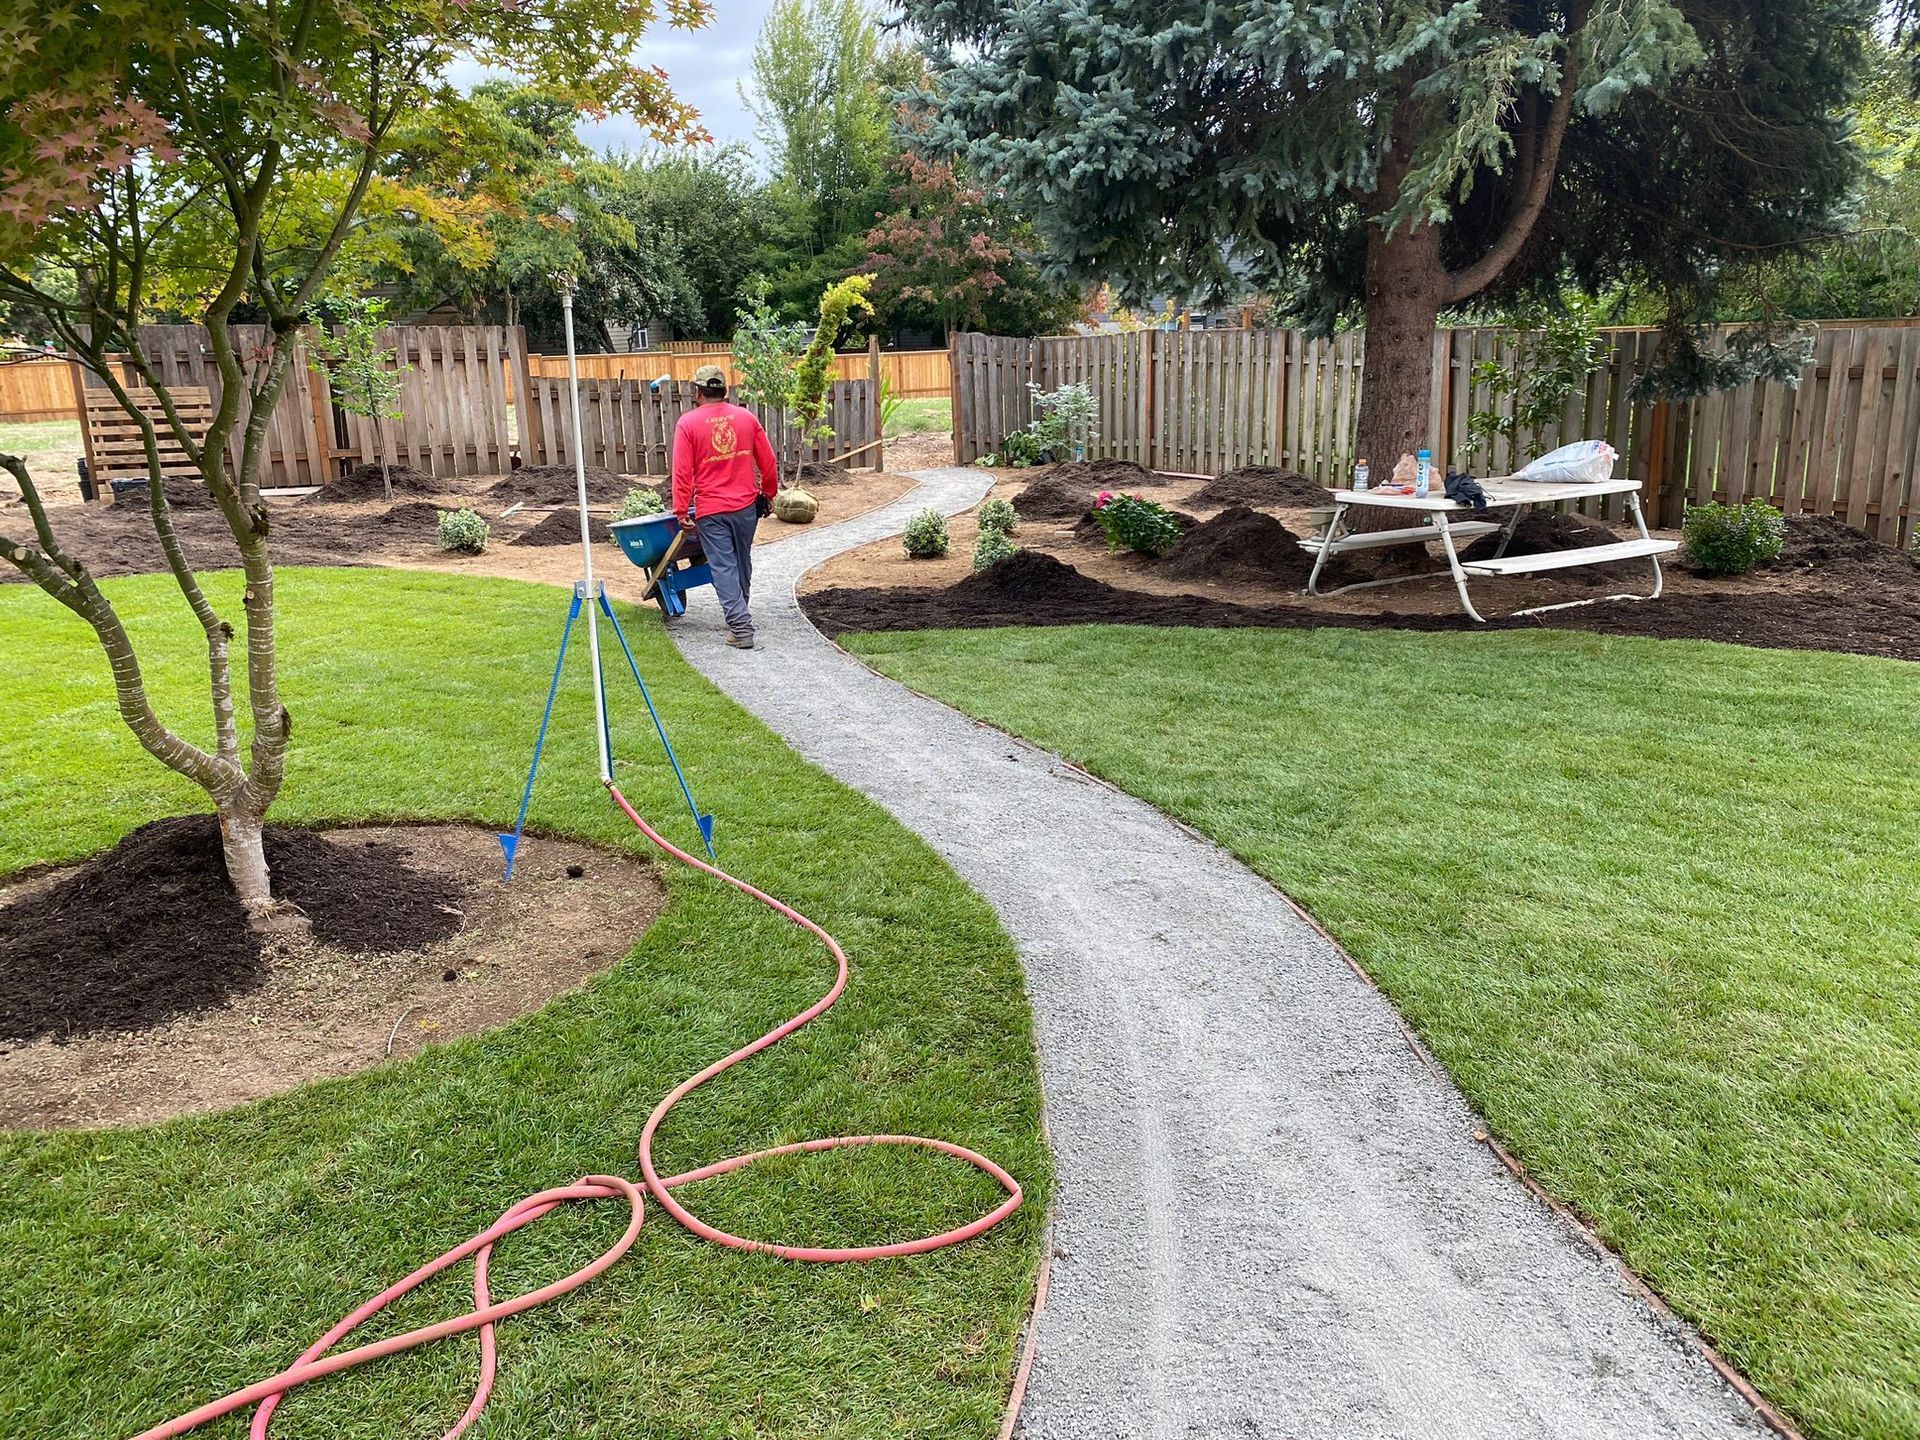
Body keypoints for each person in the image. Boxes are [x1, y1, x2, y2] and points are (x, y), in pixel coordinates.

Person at [670, 364, 779, 649]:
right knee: (742, 561)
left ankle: (741, 628)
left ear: (697, 391)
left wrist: (681, 510)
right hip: (745, 507)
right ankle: (739, 614)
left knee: (723, 567)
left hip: (712, 510)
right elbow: (768, 462)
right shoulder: (746, 418)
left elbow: (682, 473)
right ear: (725, 390)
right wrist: (768, 493)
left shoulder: (688, 423)